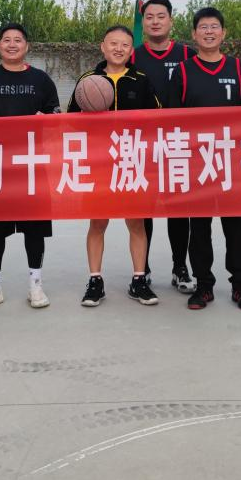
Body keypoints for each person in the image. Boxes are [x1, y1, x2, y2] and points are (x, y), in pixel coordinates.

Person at [0, 23, 61, 312]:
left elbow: (57, 119)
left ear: (26, 46)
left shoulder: (42, 80)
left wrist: (46, 120)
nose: (12, 44)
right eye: (6, 40)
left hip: (32, 166)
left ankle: (35, 284)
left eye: (18, 40)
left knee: (35, 230)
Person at [166, 7, 241, 312]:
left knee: (235, 227)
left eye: (214, 26)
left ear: (223, 33)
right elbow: (172, 120)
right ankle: (204, 285)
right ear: (193, 34)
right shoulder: (183, 71)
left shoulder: (237, 68)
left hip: (230, 162)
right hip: (197, 163)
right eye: (203, 27)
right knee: (200, 227)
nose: (209, 32)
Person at [68, 25, 161, 307]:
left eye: (124, 45)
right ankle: (95, 281)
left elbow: (158, 118)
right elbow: (71, 121)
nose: (118, 49)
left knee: (136, 223)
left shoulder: (141, 80)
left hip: (132, 160)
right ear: (103, 46)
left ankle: (139, 280)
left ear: (131, 50)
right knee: (98, 223)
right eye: (113, 43)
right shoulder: (88, 80)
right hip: (99, 163)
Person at [130, 0, 195, 293]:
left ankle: (180, 267)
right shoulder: (132, 57)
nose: (155, 21)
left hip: (179, 143)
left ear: (171, 20)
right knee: (144, 209)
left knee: (179, 209)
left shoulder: (189, 55)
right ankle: (142, 268)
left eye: (161, 16)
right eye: (149, 17)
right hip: (142, 144)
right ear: (143, 23)